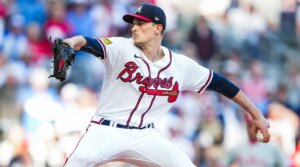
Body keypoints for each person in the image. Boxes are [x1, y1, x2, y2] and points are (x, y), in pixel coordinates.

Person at [61, 4, 270, 167]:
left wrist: (256, 114)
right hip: (105, 131)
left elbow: (223, 85)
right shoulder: (121, 47)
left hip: (144, 135)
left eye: (141, 23)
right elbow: (87, 42)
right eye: (133, 22)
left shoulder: (180, 65)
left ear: (157, 28)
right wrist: (72, 42)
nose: (134, 27)